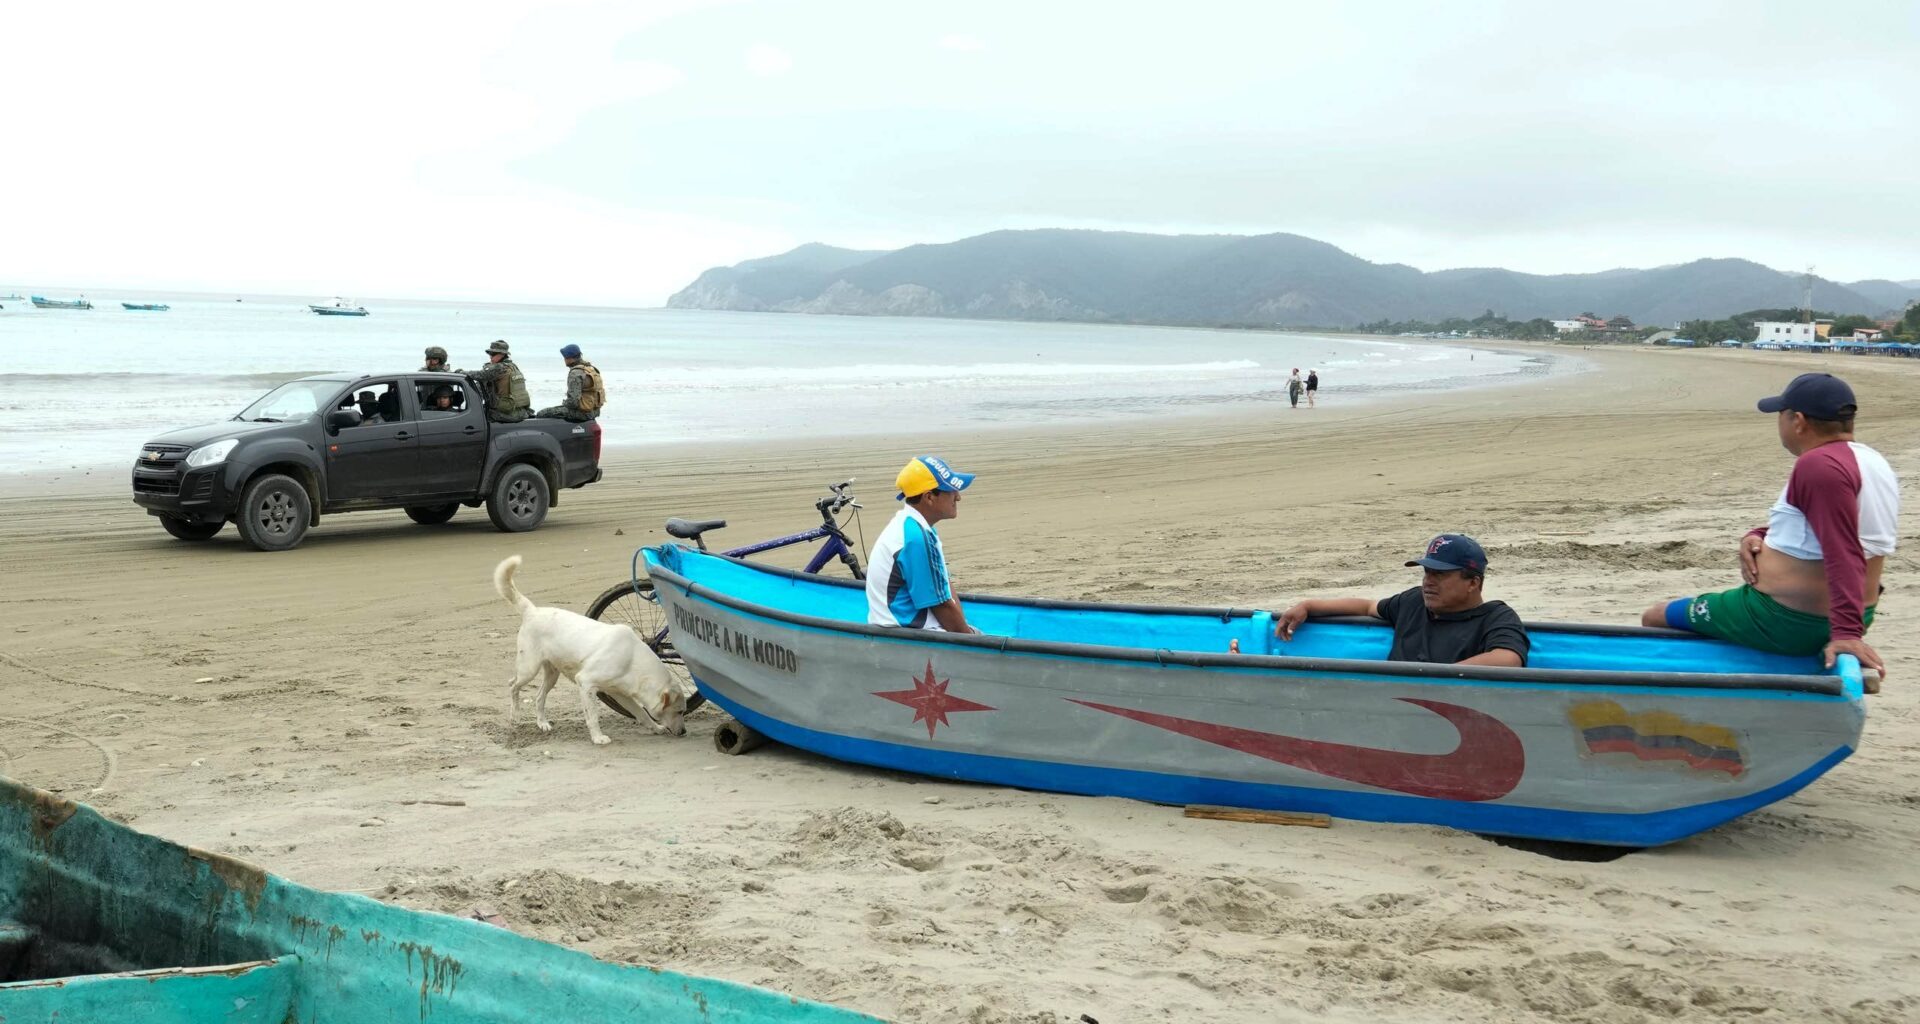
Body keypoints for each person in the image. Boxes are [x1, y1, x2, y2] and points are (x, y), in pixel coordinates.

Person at [1641, 373, 1897, 682]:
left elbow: (1843, 550)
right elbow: (1832, 526)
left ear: (1798, 420)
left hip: (1783, 617)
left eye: (1781, 415)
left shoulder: (1818, 466)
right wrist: (1758, 535)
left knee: (1657, 616)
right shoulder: (1871, 462)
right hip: (1849, 610)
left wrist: (1847, 634)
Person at [1275, 534, 1529, 666]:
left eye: (1439, 574)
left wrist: (1434, 680)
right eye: (1427, 572)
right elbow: (1366, 606)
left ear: (1473, 583)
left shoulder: (1496, 617)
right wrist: (1308, 605)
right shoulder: (1413, 602)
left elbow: (1507, 658)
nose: (1428, 581)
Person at [867, 455, 979, 633]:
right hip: (907, 632)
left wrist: (966, 630)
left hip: (905, 627)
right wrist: (972, 642)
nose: (958, 497)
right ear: (929, 497)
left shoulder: (914, 526)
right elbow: (941, 605)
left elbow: (944, 586)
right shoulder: (915, 538)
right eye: (951, 491)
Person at [534, 343, 605, 421]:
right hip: (595, 412)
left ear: (570, 358)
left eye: (565, 357)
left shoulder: (575, 373)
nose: (564, 359)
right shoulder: (591, 369)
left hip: (583, 413)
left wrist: (564, 404)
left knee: (542, 413)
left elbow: (573, 402)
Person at [468, 340, 530, 423]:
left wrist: (462, 372)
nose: (490, 357)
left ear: (502, 354)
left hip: (507, 414)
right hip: (520, 412)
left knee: (474, 417)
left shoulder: (500, 368)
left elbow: (481, 375)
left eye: (493, 354)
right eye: (489, 354)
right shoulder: (513, 367)